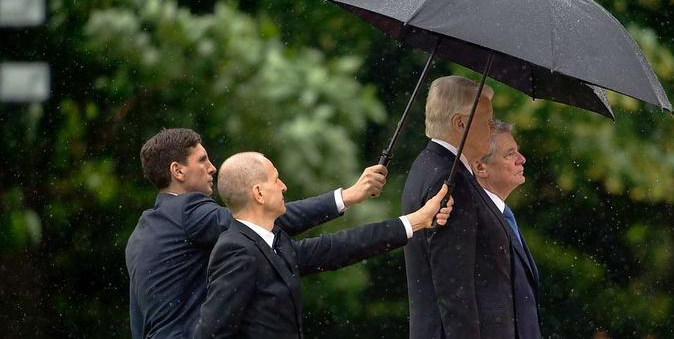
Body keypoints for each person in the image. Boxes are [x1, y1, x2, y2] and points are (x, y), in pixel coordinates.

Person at [126, 128, 387, 339]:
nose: (212, 168)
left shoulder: (140, 234)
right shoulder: (188, 211)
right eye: (202, 160)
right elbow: (255, 218)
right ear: (178, 170)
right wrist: (346, 197)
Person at [194, 152, 452, 338]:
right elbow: (211, 333)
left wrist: (416, 220)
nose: (283, 187)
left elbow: (341, 246)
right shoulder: (236, 251)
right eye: (276, 180)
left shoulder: (275, 241)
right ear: (259, 193)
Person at [401, 75, 525, 339]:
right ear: (461, 123)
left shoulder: (429, 165)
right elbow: (454, 289)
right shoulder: (449, 180)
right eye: (488, 120)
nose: (492, 128)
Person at [473, 120, 541, 338]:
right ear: (480, 167)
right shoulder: (478, 221)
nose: (522, 159)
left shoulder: (500, 214)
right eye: (510, 154)